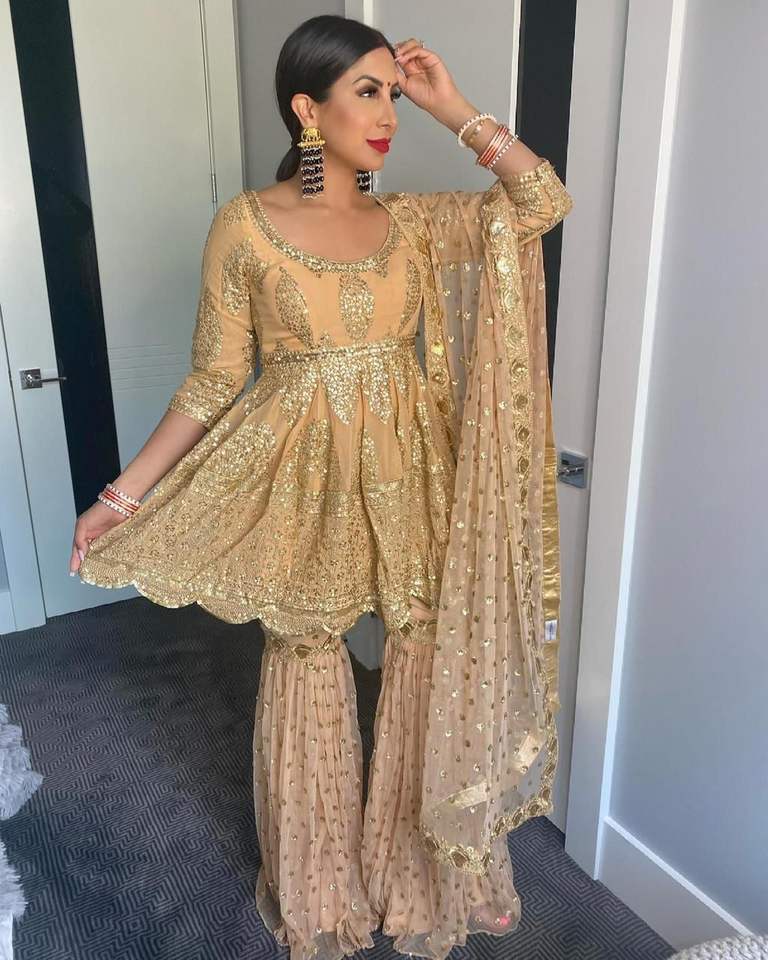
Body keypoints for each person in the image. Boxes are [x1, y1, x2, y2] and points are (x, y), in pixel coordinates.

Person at [71, 14, 573, 960]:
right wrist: (121, 498)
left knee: (423, 655)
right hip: (303, 479)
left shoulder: (411, 222)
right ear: (309, 109)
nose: (389, 115)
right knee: (306, 661)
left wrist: (453, 107)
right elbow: (214, 380)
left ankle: (420, 879)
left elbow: (541, 198)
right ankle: (321, 892)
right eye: (368, 93)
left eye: (395, 93)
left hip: (412, 473)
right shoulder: (247, 227)